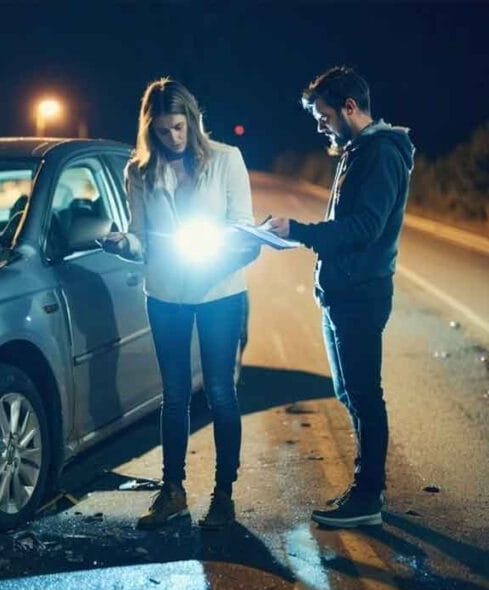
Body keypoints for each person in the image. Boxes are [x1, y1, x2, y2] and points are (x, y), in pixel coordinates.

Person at [102, 78, 259, 530]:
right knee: (173, 395)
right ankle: (172, 492)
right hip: (166, 294)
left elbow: (244, 231)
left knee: (220, 392)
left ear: (193, 120)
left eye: (179, 127)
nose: (173, 138)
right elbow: (140, 235)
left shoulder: (227, 160)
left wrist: (217, 262)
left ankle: (224, 495)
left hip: (220, 292)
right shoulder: (139, 171)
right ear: (149, 130)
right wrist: (123, 243)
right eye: (163, 131)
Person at [268, 66, 414, 528]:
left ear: (350, 107)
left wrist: (300, 232)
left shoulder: (382, 154)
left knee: (365, 395)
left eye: (323, 115)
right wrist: (297, 237)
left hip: (361, 294)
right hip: (341, 290)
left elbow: (365, 229)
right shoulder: (358, 150)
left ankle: (368, 495)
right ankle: (366, 487)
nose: (320, 125)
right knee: (348, 391)